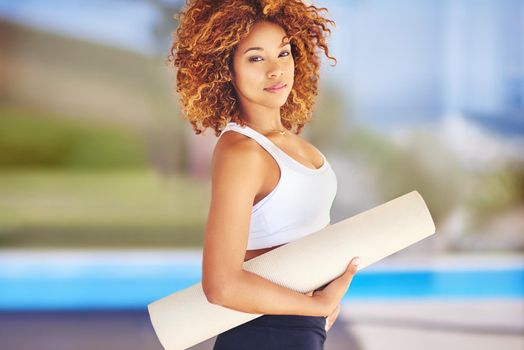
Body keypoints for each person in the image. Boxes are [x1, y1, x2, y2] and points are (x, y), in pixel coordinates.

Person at [167, 0, 360, 348]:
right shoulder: (241, 152)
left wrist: (322, 305)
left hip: (299, 329)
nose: (276, 70)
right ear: (226, 69)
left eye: (283, 53)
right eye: (256, 58)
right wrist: (316, 305)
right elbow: (221, 284)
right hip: (266, 333)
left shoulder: (291, 143)